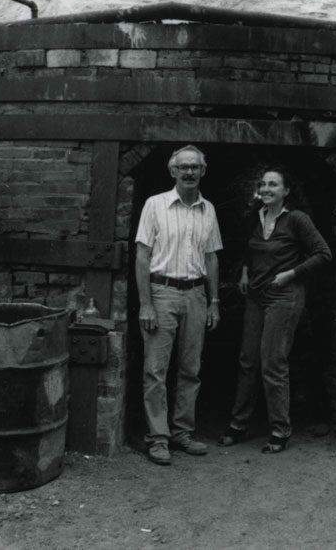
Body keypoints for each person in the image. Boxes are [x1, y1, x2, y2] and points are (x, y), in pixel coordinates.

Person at [219, 166, 331, 454]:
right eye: (263, 184)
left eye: (273, 184)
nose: (266, 189)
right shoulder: (255, 217)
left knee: (272, 363)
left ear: (286, 191)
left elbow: (323, 254)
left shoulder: (296, 219)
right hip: (256, 295)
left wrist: (292, 273)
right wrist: (244, 271)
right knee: (248, 361)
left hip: (284, 297)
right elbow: (249, 248)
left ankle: (280, 430)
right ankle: (238, 424)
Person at [135, 145, 222, 466]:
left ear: (203, 171)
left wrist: (214, 301)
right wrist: (145, 303)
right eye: (183, 167)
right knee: (156, 369)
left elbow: (211, 257)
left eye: (194, 167)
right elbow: (142, 255)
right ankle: (158, 438)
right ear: (172, 172)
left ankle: (182, 432)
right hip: (162, 293)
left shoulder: (208, 209)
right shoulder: (155, 205)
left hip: (196, 295)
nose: (189, 172)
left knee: (191, 368)